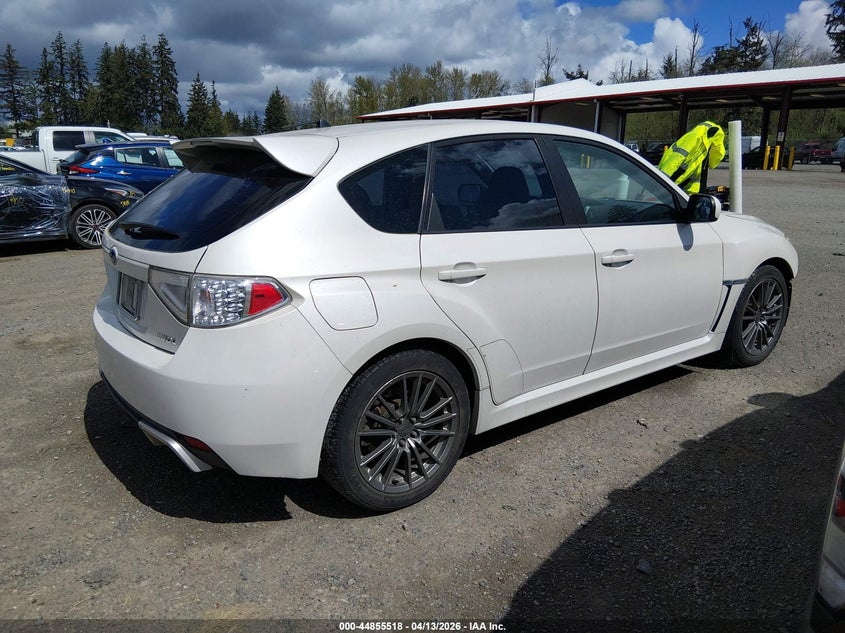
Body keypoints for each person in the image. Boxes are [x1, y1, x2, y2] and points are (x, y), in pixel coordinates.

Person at [658, 121, 726, 194]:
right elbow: (675, 159)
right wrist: (661, 182)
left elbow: (712, 162)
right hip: (669, 183)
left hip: (676, 186)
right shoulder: (696, 138)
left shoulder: (702, 146)